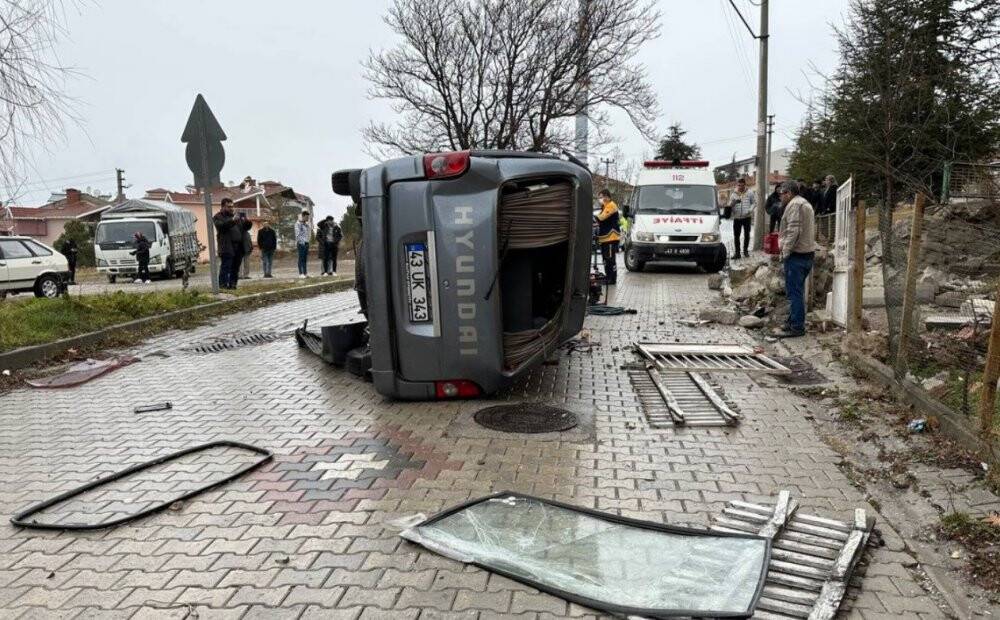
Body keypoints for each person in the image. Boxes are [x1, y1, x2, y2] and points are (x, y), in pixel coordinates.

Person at [775, 181, 817, 338]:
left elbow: (794, 231)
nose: (780, 197)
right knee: (796, 290)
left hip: (797, 254)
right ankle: (792, 321)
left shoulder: (795, 205)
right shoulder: (804, 203)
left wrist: (785, 251)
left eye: (781, 193)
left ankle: (797, 327)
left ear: (788, 193)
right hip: (805, 253)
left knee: (794, 293)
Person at [212, 198, 242, 289]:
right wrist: (233, 221)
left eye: (232, 206)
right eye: (229, 207)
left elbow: (242, 229)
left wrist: (246, 223)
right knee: (226, 266)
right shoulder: (217, 217)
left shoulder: (234, 217)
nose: (231, 208)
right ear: (223, 207)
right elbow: (222, 227)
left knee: (235, 267)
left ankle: (233, 284)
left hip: (237, 246)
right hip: (226, 246)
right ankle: (223, 285)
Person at [595, 189, 621, 285]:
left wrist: (592, 217)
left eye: (601, 197)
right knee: (605, 259)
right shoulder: (605, 206)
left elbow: (601, 218)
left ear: (607, 197)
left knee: (610, 259)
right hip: (605, 238)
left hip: (611, 237)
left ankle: (612, 279)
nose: (600, 199)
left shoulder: (611, 205)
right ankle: (608, 276)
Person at [727, 178, 755, 259]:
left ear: (744, 185)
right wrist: (734, 202)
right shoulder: (733, 194)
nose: (740, 187)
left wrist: (750, 210)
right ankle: (737, 253)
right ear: (737, 185)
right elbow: (729, 205)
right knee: (736, 236)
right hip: (737, 218)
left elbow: (754, 203)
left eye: (742, 186)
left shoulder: (750, 193)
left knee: (747, 235)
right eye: (739, 185)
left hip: (747, 217)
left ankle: (745, 251)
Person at [294, 210, 311, 278]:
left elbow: (307, 234)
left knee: (305, 259)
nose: (307, 218)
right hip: (301, 244)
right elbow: (297, 235)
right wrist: (302, 242)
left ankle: (305, 273)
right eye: (306, 217)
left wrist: (307, 242)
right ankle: (300, 274)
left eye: (308, 217)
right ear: (303, 216)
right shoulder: (298, 224)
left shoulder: (306, 225)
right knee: (301, 258)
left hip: (306, 243)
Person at [237, 213, 253, 281]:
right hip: (240, 246)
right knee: (240, 262)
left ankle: (245, 275)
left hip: (246, 246)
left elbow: (249, 225)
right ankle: (240, 275)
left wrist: (246, 220)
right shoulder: (237, 224)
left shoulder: (246, 229)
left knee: (246, 262)